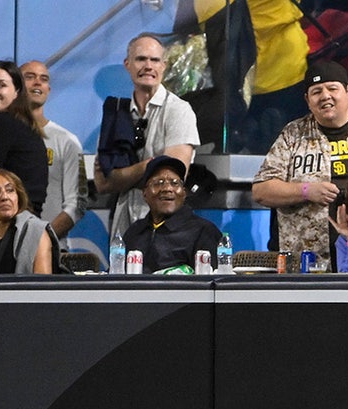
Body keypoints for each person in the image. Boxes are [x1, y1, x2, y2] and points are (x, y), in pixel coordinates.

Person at [252, 60, 348, 270]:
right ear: (308, 100)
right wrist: (306, 190)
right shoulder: (293, 134)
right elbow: (261, 190)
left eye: (332, 88)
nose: (325, 96)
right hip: (309, 264)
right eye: (316, 91)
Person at [94, 33, 200, 239]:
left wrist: (122, 176)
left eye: (155, 60)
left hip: (167, 228)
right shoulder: (115, 113)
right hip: (123, 225)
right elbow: (103, 183)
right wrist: (150, 165)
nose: (148, 66)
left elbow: (171, 179)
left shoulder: (179, 110)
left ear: (164, 65)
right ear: (127, 64)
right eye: (141, 59)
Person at [20, 60, 87, 240]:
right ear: (16, 86)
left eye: (44, 79)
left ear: (49, 89)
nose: (37, 83)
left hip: (52, 250)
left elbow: (77, 203)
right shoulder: (0, 138)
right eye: (30, 77)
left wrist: (44, 238)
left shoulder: (67, 141)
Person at [0, 61, 48, 216]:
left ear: (17, 92)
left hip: (14, 223)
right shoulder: (21, 123)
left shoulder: (3, 123)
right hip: (25, 221)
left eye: (1, 85)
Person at [122, 156, 221, 274]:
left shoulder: (203, 231)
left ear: (184, 193)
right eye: (159, 183)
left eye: (175, 183)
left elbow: (213, 284)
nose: (167, 188)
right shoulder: (135, 231)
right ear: (145, 193)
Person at [0, 168, 54, 274]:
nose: (4, 197)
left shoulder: (36, 231)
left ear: (18, 197)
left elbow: (43, 287)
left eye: (10, 190)